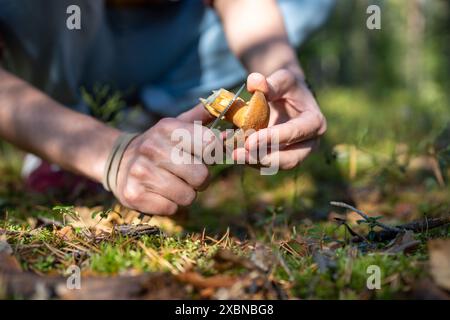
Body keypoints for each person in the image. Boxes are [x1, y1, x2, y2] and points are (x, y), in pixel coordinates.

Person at [0, 0, 332, 216]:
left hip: (165, 41)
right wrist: (112, 153)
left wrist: (288, 79)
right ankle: (64, 128)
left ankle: (151, 113)